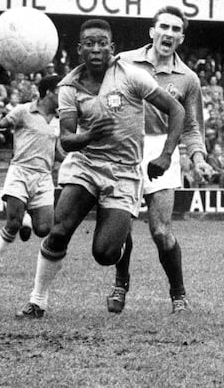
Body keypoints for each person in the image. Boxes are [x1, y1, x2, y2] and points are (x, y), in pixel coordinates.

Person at [16, 18, 185, 319]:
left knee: (105, 254)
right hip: (86, 164)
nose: (96, 48)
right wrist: (89, 136)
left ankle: (120, 246)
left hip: (123, 171)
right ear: (80, 49)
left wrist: (167, 154)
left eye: (102, 42)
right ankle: (37, 300)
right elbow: (67, 141)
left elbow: (176, 108)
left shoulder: (132, 76)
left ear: (112, 47)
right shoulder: (68, 87)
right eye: (90, 43)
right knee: (59, 230)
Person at [106, 6, 212, 315]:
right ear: (152, 31)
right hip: (125, 147)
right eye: (163, 26)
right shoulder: (124, 61)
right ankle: (120, 282)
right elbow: (107, 97)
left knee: (161, 231)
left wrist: (198, 158)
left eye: (175, 29)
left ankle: (178, 294)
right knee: (121, 224)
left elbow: (192, 127)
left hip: (163, 149)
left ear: (181, 37)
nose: (168, 32)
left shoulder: (188, 78)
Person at [0, 75, 63, 274]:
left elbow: (57, 151)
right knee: (13, 222)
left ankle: (28, 216)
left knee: (44, 229)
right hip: (20, 171)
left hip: (44, 176)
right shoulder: (23, 111)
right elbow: (4, 122)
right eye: (60, 91)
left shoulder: (58, 120)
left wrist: (77, 157)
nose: (64, 95)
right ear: (48, 93)